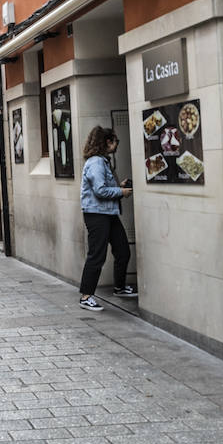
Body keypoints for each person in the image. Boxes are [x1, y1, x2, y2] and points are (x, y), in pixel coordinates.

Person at [78, 125, 137, 311]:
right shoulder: (96, 162)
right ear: (107, 142)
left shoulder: (102, 161)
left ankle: (119, 287)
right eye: (115, 141)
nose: (117, 144)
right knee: (97, 255)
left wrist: (119, 186)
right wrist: (121, 191)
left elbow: (102, 186)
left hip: (108, 213)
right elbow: (100, 190)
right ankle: (86, 296)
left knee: (122, 250)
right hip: (97, 215)